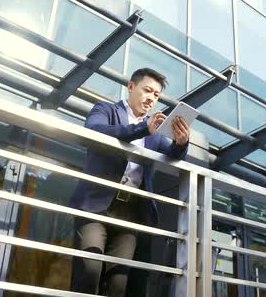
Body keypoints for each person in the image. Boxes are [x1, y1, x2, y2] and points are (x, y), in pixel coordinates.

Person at [69, 68, 190, 296]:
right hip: (96, 207)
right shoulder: (106, 110)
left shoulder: (154, 132)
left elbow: (173, 154)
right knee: (89, 272)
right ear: (131, 86)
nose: (151, 98)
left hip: (130, 214)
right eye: (147, 90)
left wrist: (182, 142)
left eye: (156, 95)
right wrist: (142, 128)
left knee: (118, 284)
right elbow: (95, 130)